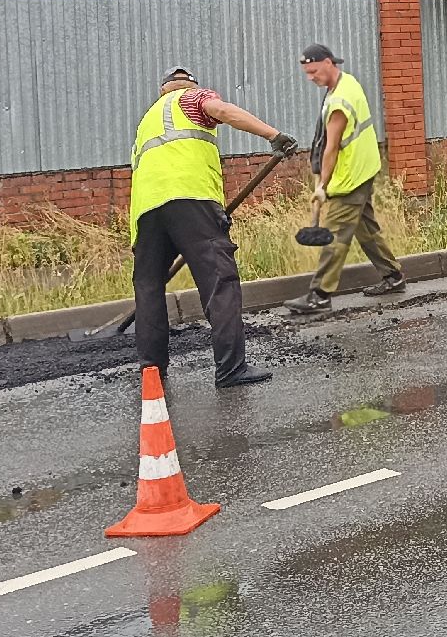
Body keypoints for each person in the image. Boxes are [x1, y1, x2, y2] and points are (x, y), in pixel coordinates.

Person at [130, 66, 296, 389]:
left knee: (148, 288)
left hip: (146, 212)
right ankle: (231, 368)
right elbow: (221, 110)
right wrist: (272, 135)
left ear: (162, 89)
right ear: (188, 86)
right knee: (220, 280)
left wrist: (137, 239)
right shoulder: (192, 99)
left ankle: (152, 372)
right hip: (192, 200)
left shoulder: (145, 123)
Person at [282, 45, 405, 317]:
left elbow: (332, 148)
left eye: (313, 71)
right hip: (365, 168)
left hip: (349, 177)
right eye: (307, 73)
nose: (310, 77)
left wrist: (322, 187)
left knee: (335, 236)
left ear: (328, 63)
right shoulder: (347, 82)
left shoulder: (339, 102)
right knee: (366, 229)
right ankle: (393, 276)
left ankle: (320, 295)